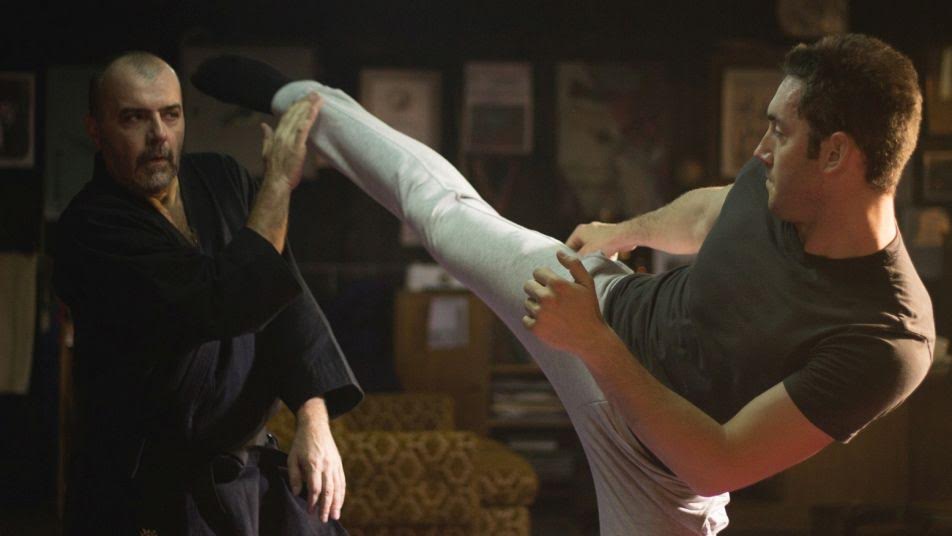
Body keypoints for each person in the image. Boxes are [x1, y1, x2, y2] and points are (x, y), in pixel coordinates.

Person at [192, 33, 933, 535]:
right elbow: (717, 212)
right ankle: (300, 99)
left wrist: (594, 343)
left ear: (836, 154)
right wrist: (628, 230)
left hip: (661, 472)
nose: (760, 148)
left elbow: (714, 459)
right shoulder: (783, 183)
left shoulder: (886, 339)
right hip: (606, 308)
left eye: (780, 132)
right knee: (445, 217)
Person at [54, 52, 362, 535]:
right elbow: (223, 300)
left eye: (170, 114)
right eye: (134, 118)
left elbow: (287, 302)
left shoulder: (223, 179)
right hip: (148, 491)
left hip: (246, 476)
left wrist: (313, 418)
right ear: (96, 130)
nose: (158, 135)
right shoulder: (92, 228)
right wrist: (278, 182)